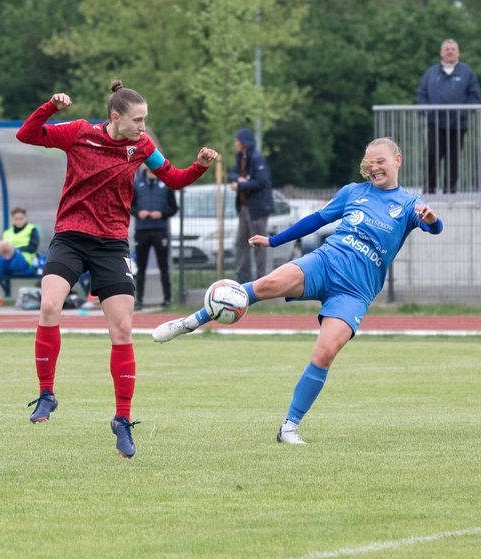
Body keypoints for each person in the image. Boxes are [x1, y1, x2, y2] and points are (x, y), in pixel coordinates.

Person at [152, 138, 443, 445]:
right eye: (369, 163)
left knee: (325, 352)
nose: (374, 168)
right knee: (266, 285)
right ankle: (189, 322)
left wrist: (432, 219)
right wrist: (274, 241)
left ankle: (289, 427)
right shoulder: (353, 192)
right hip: (325, 263)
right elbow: (316, 220)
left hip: (356, 291)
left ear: (397, 160)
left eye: (381, 161)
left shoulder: (410, 205)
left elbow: (436, 228)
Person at [15, 82, 218, 458]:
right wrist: (49, 107)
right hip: (71, 238)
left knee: (122, 330)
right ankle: (47, 393)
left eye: (145, 120)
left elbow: (173, 178)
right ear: (115, 117)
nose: (144, 127)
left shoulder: (141, 147)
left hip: (111, 244)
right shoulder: (78, 133)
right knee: (48, 307)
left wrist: (199, 167)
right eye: (137, 120)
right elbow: (26, 134)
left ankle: (122, 420)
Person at [417, 39, 481, 194]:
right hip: (435, 123)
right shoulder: (431, 73)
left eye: (453, 49)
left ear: (458, 52)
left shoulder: (467, 72)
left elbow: (474, 96)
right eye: (447, 49)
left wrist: (465, 113)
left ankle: (450, 191)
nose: (450, 51)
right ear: (441, 52)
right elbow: (421, 94)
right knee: (432, 156)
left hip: (458, 125)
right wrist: (426, 111)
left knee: (453, 160)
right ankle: (429, 190)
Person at [131, 168, 178, 310]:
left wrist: (162, 214)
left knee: (163, 266)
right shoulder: (136, 184)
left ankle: (167, 299)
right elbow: (128, 206)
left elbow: (174, 208)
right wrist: (139, 212)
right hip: (142, 231)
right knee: (141, 267)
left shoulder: (166, 185)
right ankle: (139, 300)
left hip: (160, 231)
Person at [231, 127, 274, 283]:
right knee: (241, 243)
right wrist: (238, 179)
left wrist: (242, 185)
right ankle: (242, 279)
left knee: (258, 244)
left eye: (237, 141)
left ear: (244, 143)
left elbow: (262, 182)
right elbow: (233, 173)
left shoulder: (256, 158)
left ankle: (261, 279)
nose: (235, 143)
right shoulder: (240, 157)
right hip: (244, 208)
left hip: (257, 209)